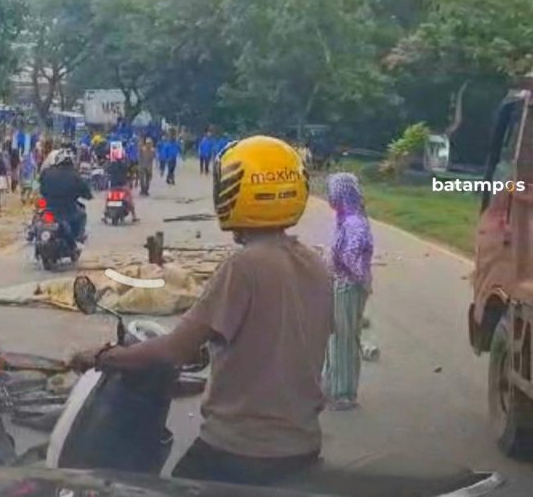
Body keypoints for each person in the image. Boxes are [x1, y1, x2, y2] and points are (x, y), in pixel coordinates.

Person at [71, 136, 332, 487]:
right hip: (302, 445)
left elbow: (175, 349)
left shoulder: (243, 267)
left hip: (240, 449)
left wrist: (103, 356)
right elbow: (270, 340)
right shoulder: (316, 265)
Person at [323, 172, 374, 411]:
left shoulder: (353, 223)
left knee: (344, 339)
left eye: (332, 191)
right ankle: (332, 386)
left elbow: (350, 258)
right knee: (337, 338)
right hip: (345, 284)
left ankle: (343, 393)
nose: (329, 196)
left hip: (349, 287)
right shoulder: (347, 219)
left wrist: (334, 266)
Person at [39, 149, 92, 247]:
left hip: (49, 210)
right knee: (82, 215)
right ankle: (78, 239)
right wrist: (87, 195)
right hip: (67, 211)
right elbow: (86, 192)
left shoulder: (46, 172)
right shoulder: (75, 176)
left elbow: (41, 190)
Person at [105, 147, 138, 222]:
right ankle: (134, 216)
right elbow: (130, 172)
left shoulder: (111, 165)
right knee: (130, 200)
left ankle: (105, 215)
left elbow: (106, 171)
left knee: (108, 199)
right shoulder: (125, 165)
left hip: (113, 187)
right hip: (123, 187)